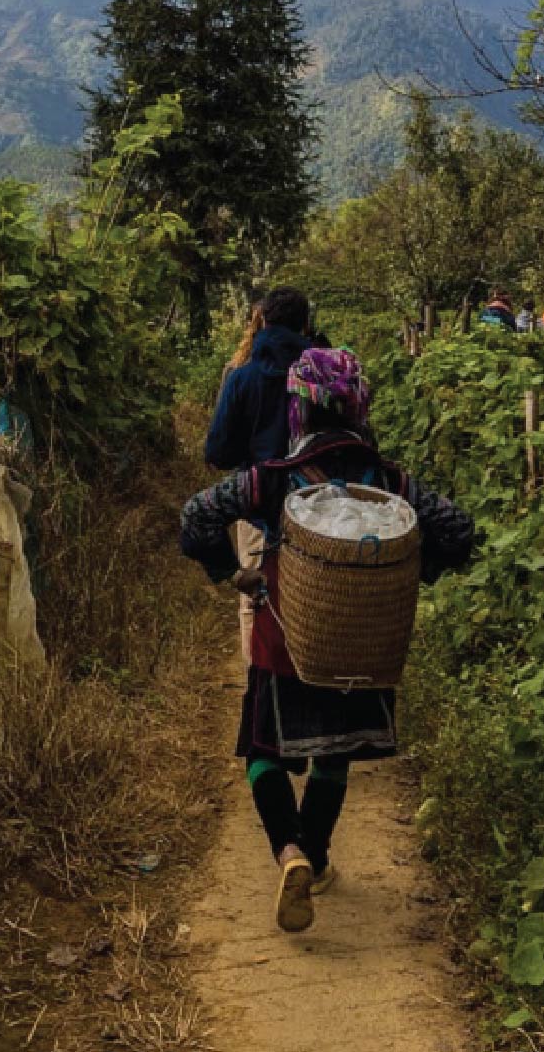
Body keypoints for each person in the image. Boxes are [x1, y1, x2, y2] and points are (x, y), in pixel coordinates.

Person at [180, 349, 475, 933]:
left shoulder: (271, 480)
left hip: (286, 632)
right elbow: (459, 531)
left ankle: (289, 852)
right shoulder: (390, 481)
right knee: (333, 753)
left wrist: (234, 572)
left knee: (263, 752)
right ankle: (314, 858)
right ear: (358, 407)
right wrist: (408, 572)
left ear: (299, 410)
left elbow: (196, 518)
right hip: (361, 640)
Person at [203, 287, 315, 471]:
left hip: (259, 484)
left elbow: (218, 454)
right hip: (314, 489)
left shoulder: (240, 377)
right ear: (305, 325)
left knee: (196, 502)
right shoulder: (323, 376)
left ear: (263, 321)